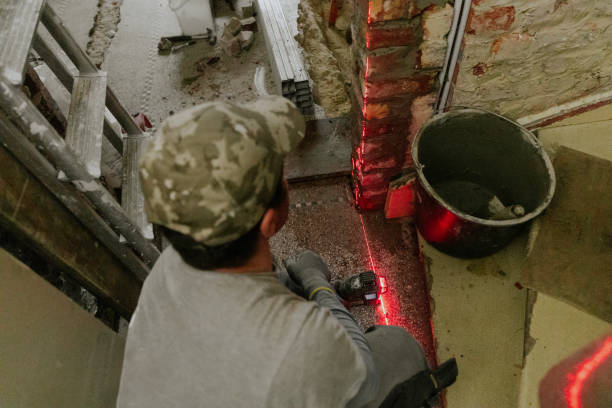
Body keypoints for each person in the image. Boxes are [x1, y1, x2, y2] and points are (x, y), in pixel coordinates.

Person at [116, 96, 440, 408]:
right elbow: (364, 376)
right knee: (399, 350)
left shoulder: (171, 267)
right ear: (269, 221)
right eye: (281, 177)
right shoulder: (298, 343)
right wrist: (319, 287)